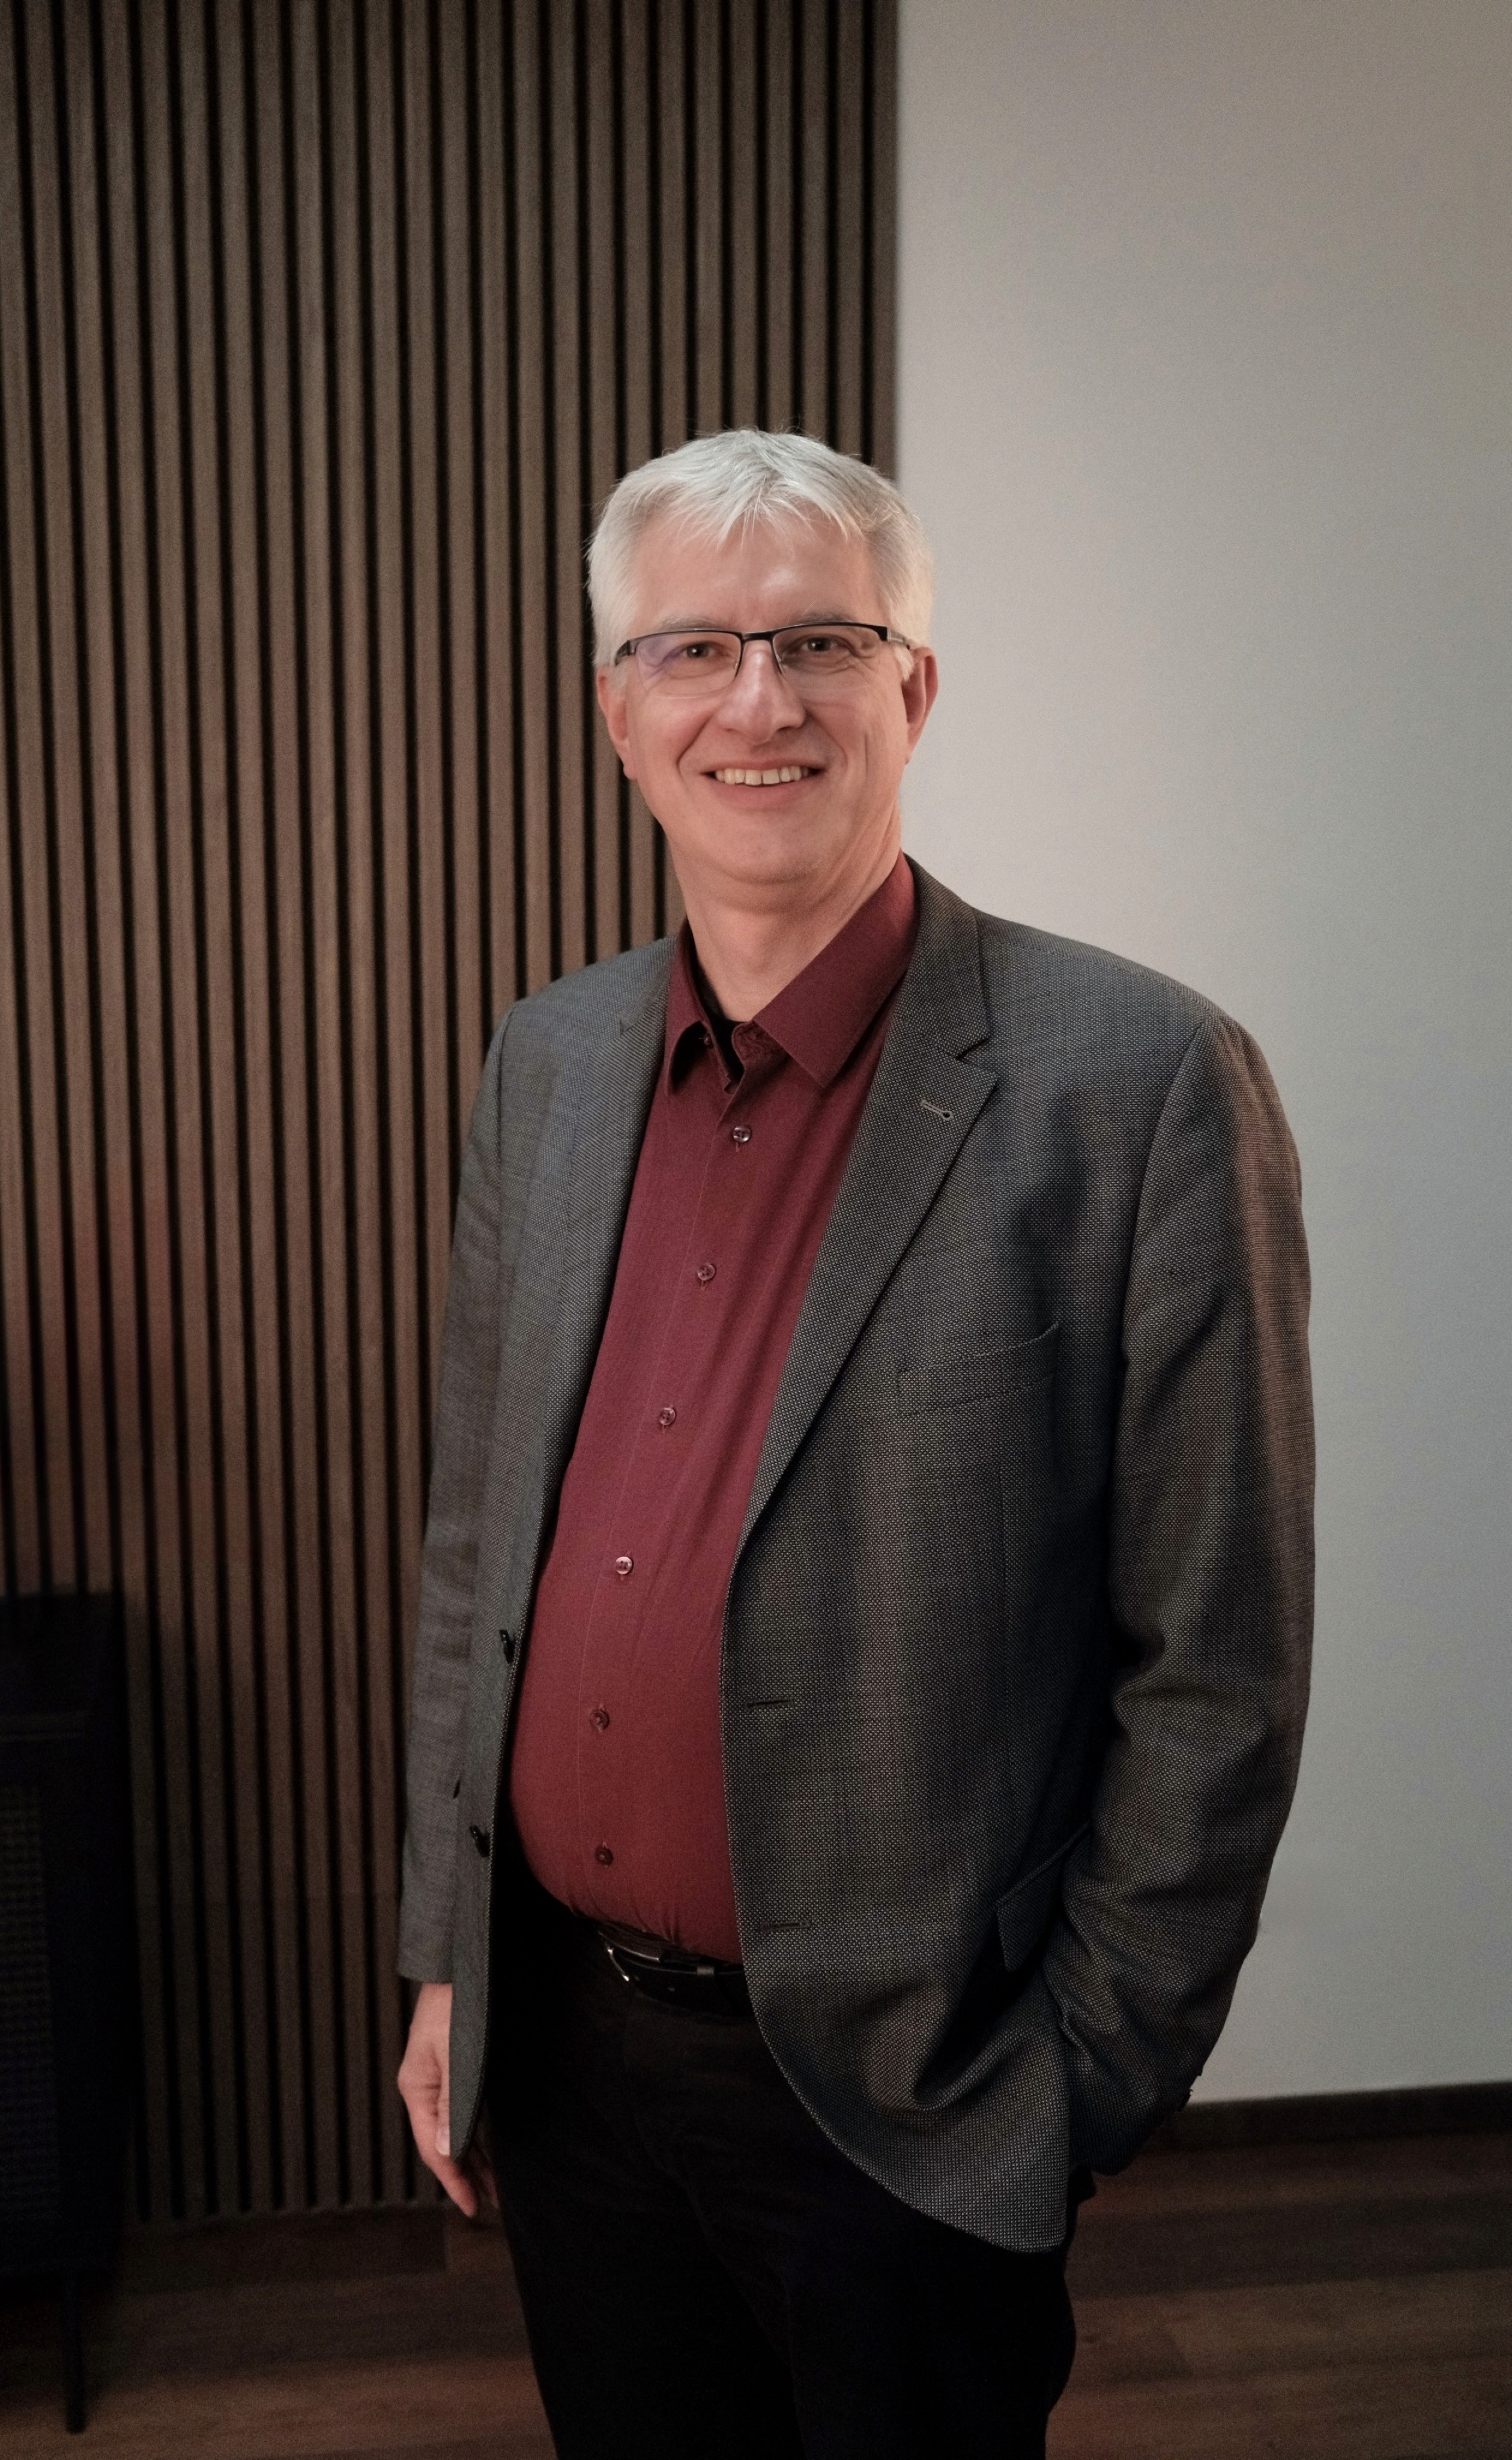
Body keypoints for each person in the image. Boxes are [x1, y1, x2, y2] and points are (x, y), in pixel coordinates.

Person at [395, 429, 1313, 2458]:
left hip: (904, 2099)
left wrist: (1071, 2088)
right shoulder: (547, 1065)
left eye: (821, 640)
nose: (757, 701)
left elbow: (1218, 1664)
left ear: (914, 691)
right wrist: (447, 1962)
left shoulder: (1138, 1082)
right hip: (562, 2057)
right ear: (614, 703)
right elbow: (482, 1548)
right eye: (692, 648)